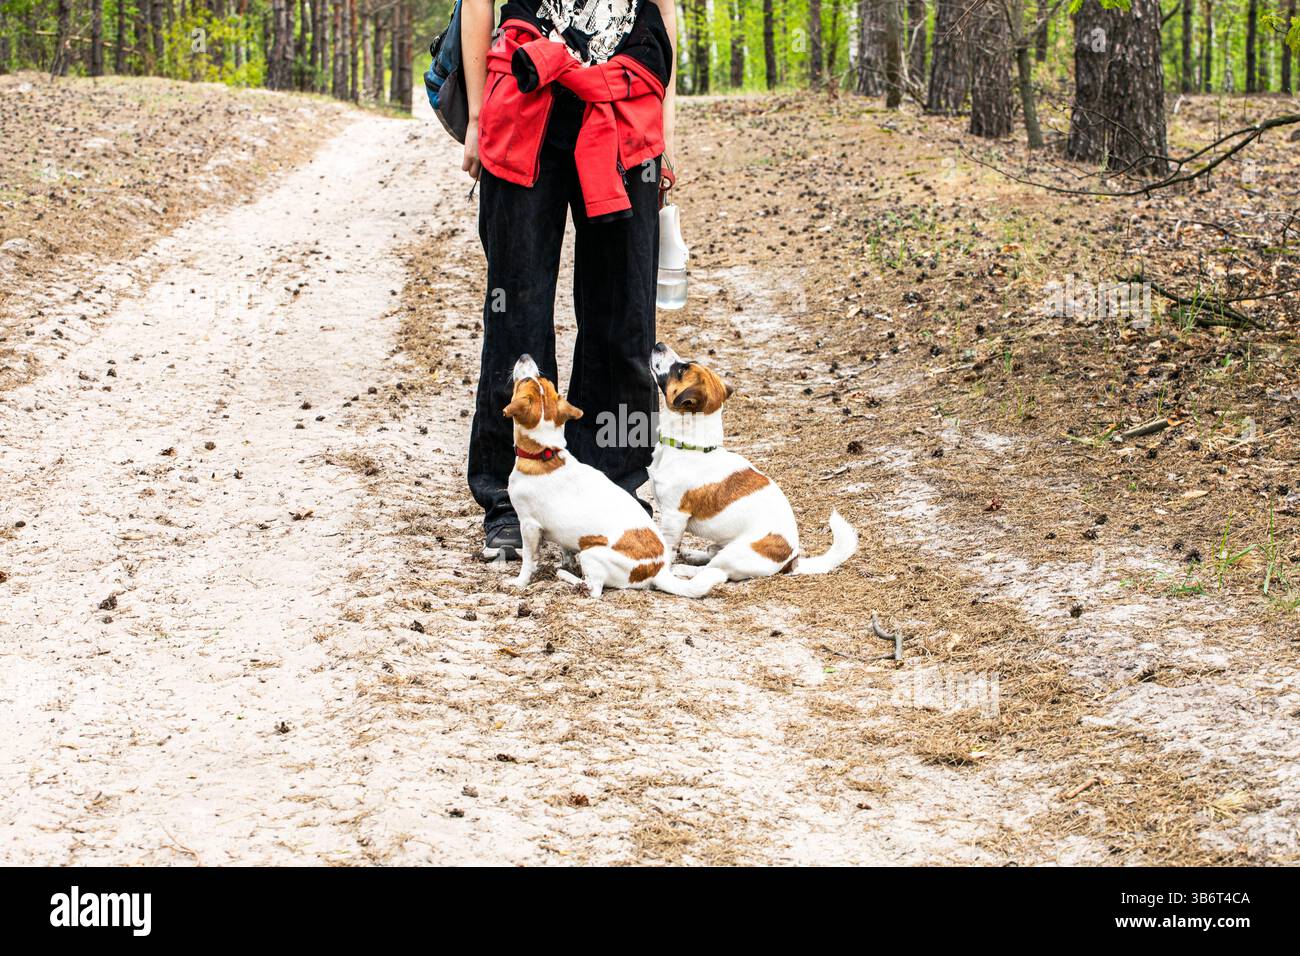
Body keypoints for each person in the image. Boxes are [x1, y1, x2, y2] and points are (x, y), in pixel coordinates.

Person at [461, 0, 677, 560]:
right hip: (526, 96)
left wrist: (664, 129)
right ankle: (512, 502)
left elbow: (664, 11)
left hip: (625, 101)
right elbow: (477, 5)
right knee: (517, 314)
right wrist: (478, 120)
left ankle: (617, 487)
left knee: (623, 316)